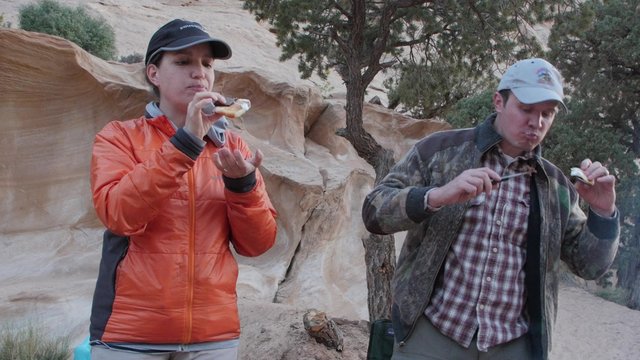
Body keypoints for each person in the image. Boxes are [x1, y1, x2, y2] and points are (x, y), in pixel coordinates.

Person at [362, 58, 619, 360]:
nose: (536, 123)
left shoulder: (556, 186)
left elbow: (589, 266)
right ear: (499, 101)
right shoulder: (441, 151)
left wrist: (603, 215)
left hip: (513, 344)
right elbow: (374, 212)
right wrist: (437, 196)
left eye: (546, 114)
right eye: (526, 109)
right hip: (432, 333)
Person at [88, 19, 277, 360]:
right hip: (130, 337)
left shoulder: (232, 146)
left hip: (213, 337)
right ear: (153, 74)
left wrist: (243, 185)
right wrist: (186, 142)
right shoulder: (119, 137)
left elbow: (257, 245)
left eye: (207, 64)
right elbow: (119, 215)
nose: (199, 73)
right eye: (183, 61)